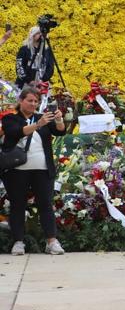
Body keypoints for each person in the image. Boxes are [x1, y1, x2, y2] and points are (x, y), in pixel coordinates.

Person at [1, 85, 67, 255]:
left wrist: (59, 119)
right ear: (21, 101)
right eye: (29, 100)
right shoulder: (11, 119)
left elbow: (60, 132)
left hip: (42, 169)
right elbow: (16, 132)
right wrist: (38, 124)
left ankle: (51, 241)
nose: (33, 104)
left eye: (36, 101)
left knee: (45, 204)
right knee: (17, 205)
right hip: (16, 170)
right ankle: (18, 242)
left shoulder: (42, 117)